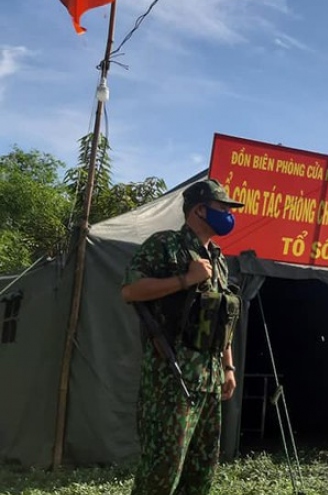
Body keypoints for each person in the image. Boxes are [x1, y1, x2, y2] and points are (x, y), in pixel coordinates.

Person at [121, 179, 244, 495]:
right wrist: (186, 278)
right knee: (161, 472)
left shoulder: (218, 259)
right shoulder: (164, 244)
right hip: (171, 381)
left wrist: (228, 368)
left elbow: (220, 320)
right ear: (200, 210)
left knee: (200, 471)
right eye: (223, 208)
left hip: (210, 380)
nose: (229, 215)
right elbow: (131, 290)